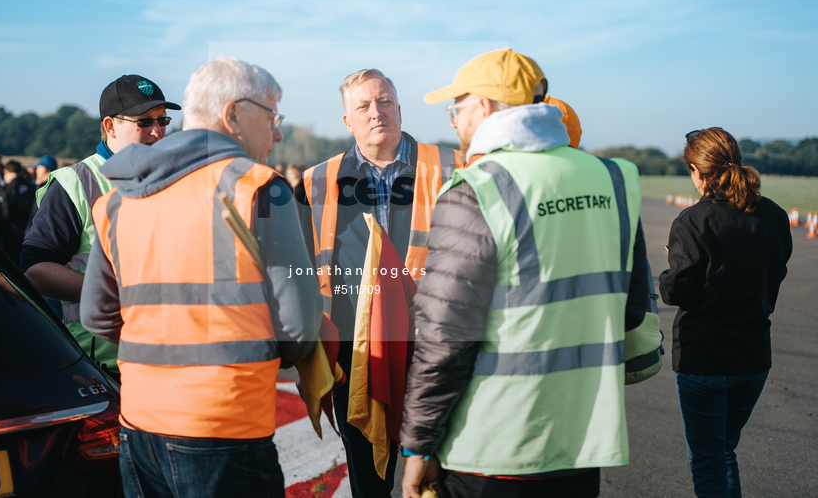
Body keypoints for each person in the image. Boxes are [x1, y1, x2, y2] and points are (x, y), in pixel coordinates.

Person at [399, 48, 652, 498]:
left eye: (456, 108)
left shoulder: (478, 188)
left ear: (483, 106)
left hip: (492, 447)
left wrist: (418, 445)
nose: (454, 121)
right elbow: (632, 309)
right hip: (582, 442)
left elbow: (445, 338)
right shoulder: (615, 179)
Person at [81, 55, 321, 498]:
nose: (279, 132)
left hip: (139, 423)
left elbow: (96, 316)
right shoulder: (256, 188)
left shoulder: (118, 199)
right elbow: (300, 328)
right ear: (232, 114)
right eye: (272, 115)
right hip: (225, 425)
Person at [301, 68, 461, 498]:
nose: (377, 113)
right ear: (347, 121)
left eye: (385, 101)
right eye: (363, 106)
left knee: (439, 482)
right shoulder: (317, 180)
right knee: (368, 485)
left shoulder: (451, 166)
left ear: (400, 110)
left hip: (436, 350)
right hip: (358, 357)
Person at [659, 127, 791, 498]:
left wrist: (671, 264)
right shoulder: (776, 216)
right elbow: (776, 271)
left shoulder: (692, 221)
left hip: (705, 360)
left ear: (697, 172)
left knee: (707, 462)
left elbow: (675, 291)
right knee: (723, 452)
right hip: (753, 358)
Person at [21, 74, 179, 379]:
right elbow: (36, 272)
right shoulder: (75, 182)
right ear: (110, 126)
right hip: (102, 370)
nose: (158, 132)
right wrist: (121, 294)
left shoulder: (168, 181)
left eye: (163, 120)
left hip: (166, 358)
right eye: (144, 122)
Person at [0, 160, 36, 262]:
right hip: (32, 230)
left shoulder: (6, 189)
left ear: (5, 171)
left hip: (12, 233)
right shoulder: (32, 187)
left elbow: (5, 214)